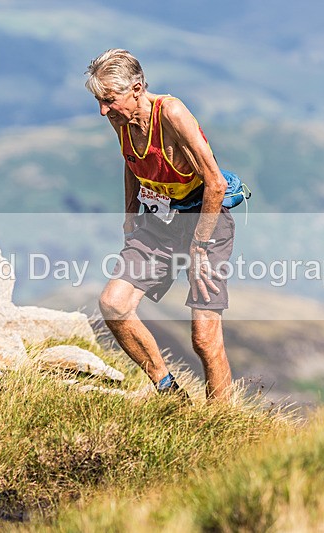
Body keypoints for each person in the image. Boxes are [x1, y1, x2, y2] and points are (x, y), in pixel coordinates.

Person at [85, 48, 235, 401]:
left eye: (110, 99)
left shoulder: (171, 112)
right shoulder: (119, 120)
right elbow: (131, 162)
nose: (103, 110)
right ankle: (169, 391)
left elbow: (216, 183)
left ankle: (222, 420)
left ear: (136, 88)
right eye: (99, 101)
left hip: (205, 219)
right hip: (157, 221)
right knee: (114, 305)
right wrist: (130, 218)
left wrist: (198, 247)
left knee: (204, 336)